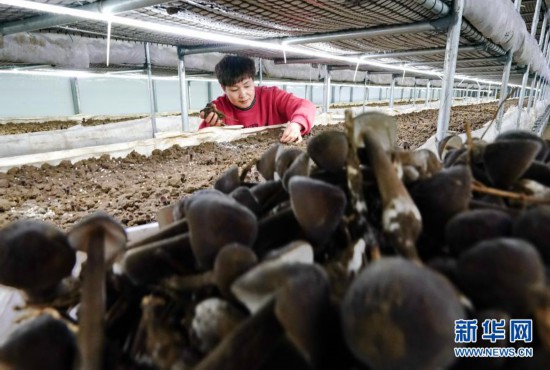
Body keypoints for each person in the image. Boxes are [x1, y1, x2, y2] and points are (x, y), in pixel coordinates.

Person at [199, 55, 316, 143]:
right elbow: (201, 140)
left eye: (247, 86)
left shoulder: (272, 97)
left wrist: (296, 124)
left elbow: (306, 106)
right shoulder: (219, 109)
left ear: (253, 80)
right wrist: (212, 126)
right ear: (224, 88)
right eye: (234, 90)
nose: (243, 94)